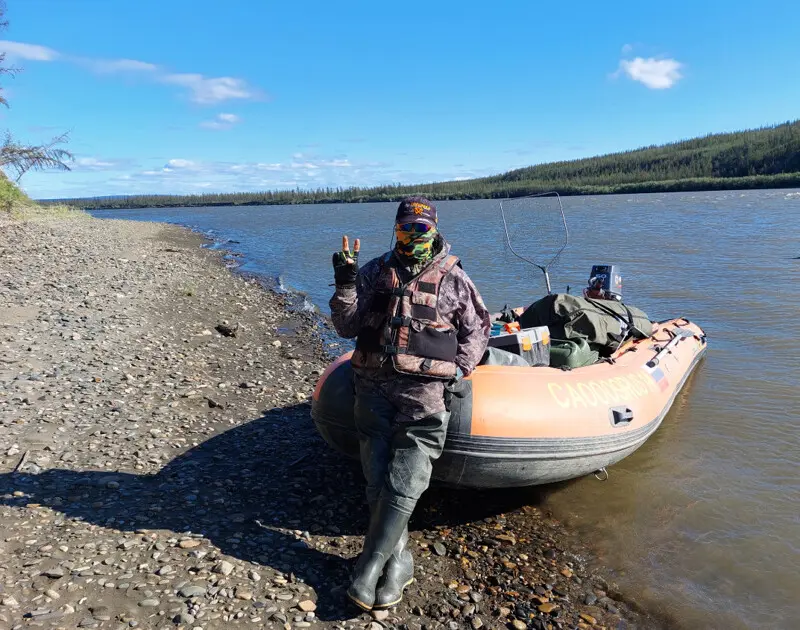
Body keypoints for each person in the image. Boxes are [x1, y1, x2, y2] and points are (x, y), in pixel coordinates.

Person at [329, 196, 491, 611]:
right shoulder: (374, 272)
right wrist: (345, 282)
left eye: (421, 228)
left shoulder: (455, 278)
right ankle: (399, 559)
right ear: (396, 228)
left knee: (408, 476)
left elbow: (478, 330)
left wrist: (460, 369)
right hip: (371, 386)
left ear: (434, 229)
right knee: (375, 474)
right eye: (405, 228)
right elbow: (346, 326)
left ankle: (369, 564)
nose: (413, 235)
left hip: (424, 393)